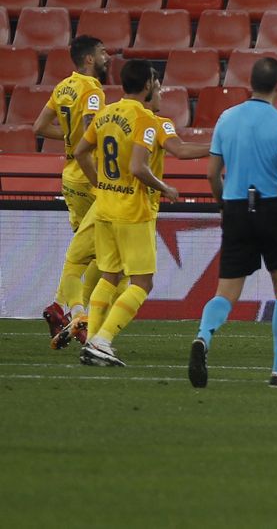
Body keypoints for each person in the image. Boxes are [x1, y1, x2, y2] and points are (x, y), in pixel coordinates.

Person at [73, 60, 207, 367]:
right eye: (157, 86)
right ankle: (103, 340)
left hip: (104, 209)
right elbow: (139, 166)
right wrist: (165, 187)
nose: (160, 91)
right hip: (133, 212)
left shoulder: (105, 113)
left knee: (109, 276)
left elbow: (80, 151)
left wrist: (100, 184)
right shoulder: (145, 119)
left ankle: (93, 342)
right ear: (147, 85)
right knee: (142, 283)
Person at [188, 58, 277, 388]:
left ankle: (203, 337)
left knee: (226, 291)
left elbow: (212, 173)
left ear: (250, 83)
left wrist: (223, 204)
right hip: (273, 209)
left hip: (236, 207)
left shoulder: (226, 119)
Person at [35, 34, 109, 346]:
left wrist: (70, 136)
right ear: (89, 58)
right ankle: (79, 315)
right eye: (102, 52)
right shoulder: (92, 89)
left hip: (70, 178)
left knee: (87, 251)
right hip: (91, 177)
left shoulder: (62, 87)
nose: (107, 57)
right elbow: (91, 126)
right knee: (104, 254)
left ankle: (60, 307)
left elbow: (39, 128)